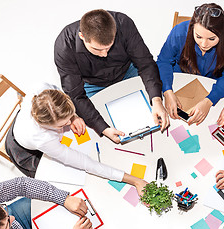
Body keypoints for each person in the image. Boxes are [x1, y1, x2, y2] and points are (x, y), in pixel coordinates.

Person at [5, 83, 147, 196]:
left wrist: (74, 117)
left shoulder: (44, 91)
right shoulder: (43, 139)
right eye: (63, 124)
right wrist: (135, 180)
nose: (68, 124)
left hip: (28, 124)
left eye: (70, 115)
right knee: (55, 180)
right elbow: (87, 164)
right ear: (47, 125)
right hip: (24, 151)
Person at [54, 9, 169, 143]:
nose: (104, 54)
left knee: (154, 111)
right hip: (92, 85)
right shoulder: (64, 46)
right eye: (97, 49)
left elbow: (145, 64)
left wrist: (156, 100)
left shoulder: (123, 23)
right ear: (82, 36)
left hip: (127, 71)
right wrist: (103, 129)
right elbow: (75, 94)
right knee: (100, 130)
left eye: (109, 47)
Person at [156, 3, 224, 125]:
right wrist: (167, 91)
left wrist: (209, 101)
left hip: (212, 85)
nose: (204, 44)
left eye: (212, 39)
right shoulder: (180, 32)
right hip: (177, 79)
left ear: (222, 35)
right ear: (192, 28)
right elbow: (164, 61)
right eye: (198, 36)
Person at [0, 177, 91, 229]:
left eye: (3, 209)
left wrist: (64, 198)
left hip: (20, 220)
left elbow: (21, 185)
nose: (12, 218)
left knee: (42, 203)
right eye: (6, 224)